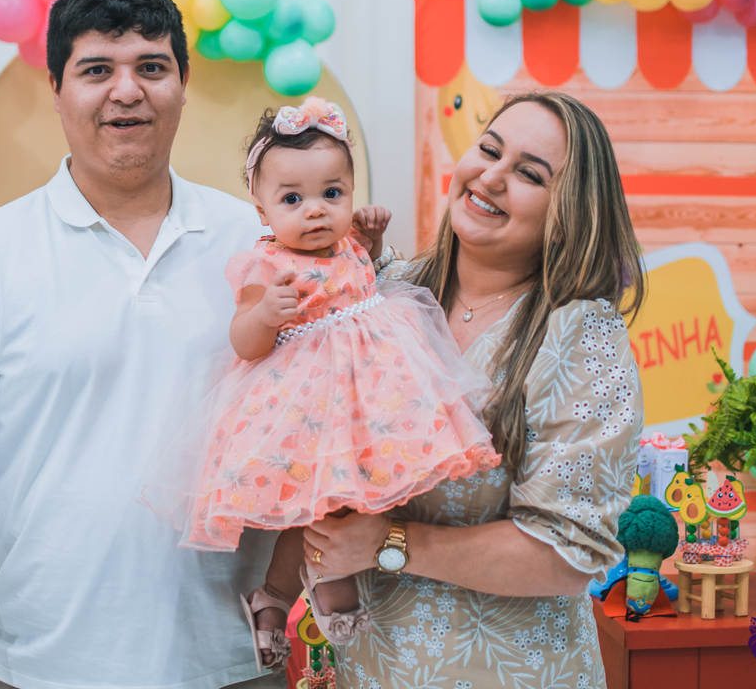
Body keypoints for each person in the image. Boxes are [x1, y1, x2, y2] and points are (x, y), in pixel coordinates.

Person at [0, 0, 280, 689]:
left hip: (233, 666)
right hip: (32, 668)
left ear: (183, 85)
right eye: (97, 69)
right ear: (57, 88)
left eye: (151, 67)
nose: (126, 91)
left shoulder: (258, 243)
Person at [143, 98, 500, 675]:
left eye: (332, 194)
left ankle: (277, 598)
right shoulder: (265, 266)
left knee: (355, 498)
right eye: (292, 199)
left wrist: (373, 242)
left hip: (370, 397)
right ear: (261, 209)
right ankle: (317, 587)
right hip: (306, 405)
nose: (315, 211)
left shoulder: (345, 245)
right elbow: (244, 341)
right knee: (318, 507)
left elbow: (363, 276)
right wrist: (266, 315)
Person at [301, 92, 646, 688]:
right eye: (489, 150)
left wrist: (389, 542)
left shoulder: (579, 333)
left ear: (569, 211)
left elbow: (569, 553)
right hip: (371, 668)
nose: (491, 176)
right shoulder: (386, 291)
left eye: (529, 173)